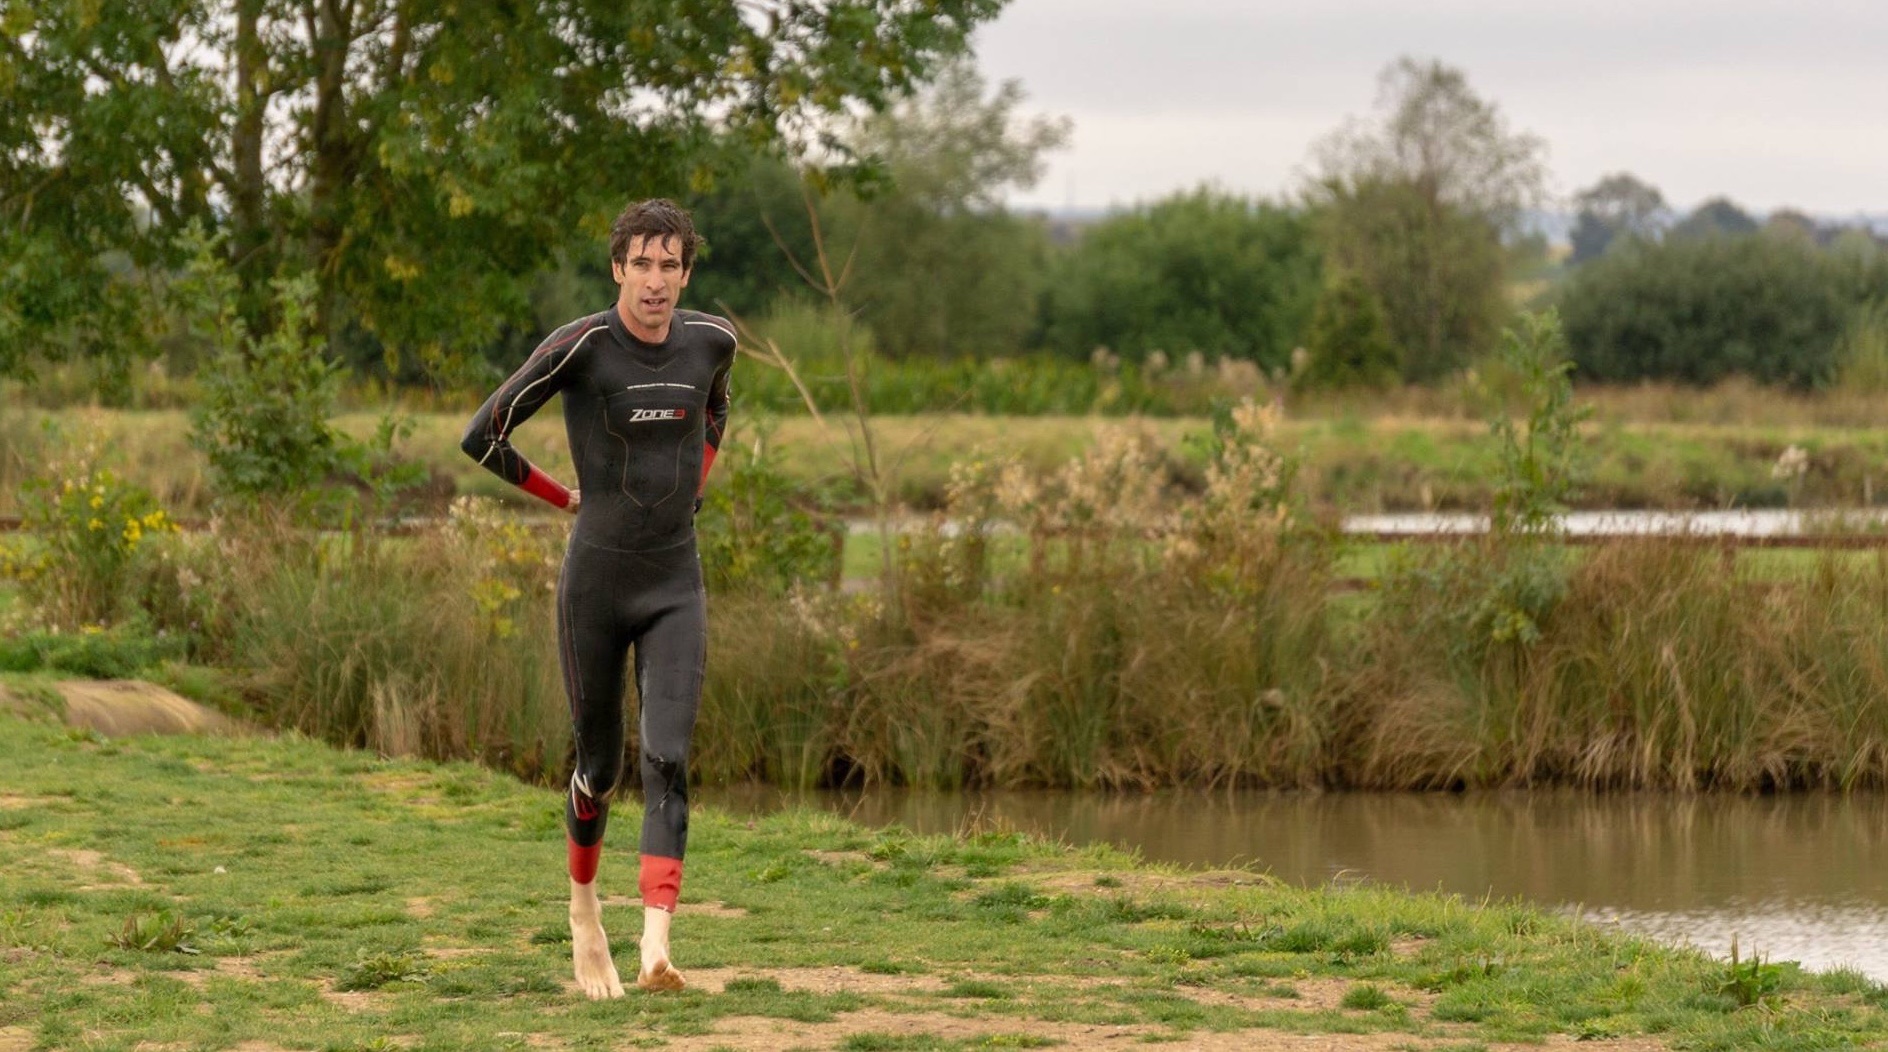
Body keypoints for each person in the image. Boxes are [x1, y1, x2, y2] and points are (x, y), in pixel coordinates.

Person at [460, 199, 735, 998]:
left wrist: (696, 488)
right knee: (600, 768)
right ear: (618, 267)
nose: (655, 281)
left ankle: (656, 946)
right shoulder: (582, 347)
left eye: (670, 265)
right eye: (641, 263)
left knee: (668, 757)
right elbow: (483, 434)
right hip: (596, 585)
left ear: (686, 272)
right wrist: (563, 498)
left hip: (674, 581)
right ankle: (585, 915)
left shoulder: (713, 342)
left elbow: (717, 407)